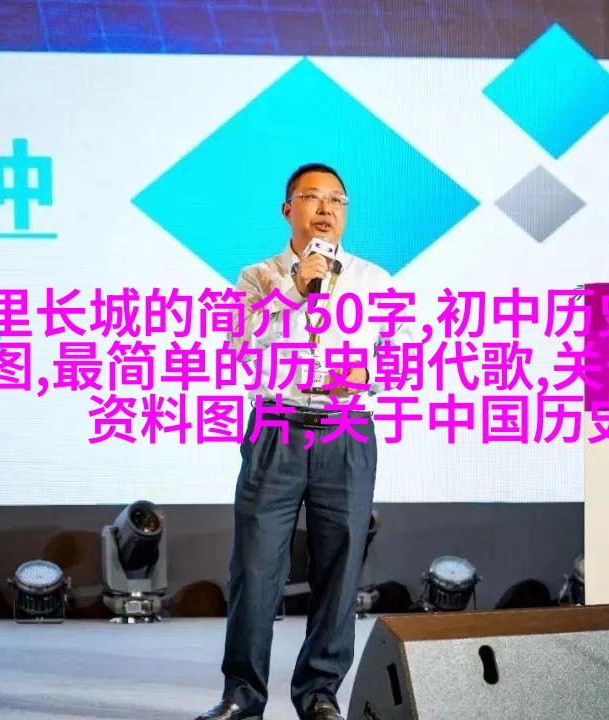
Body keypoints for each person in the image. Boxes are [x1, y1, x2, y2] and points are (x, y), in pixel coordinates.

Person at [196, 163, 412, 720]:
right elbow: (240, 347)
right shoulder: (257, 277)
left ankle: (319, 694)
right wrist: (294, 289)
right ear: (287, 208)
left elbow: (404, 355)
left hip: (347, 430)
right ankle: (242, 696)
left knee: (339, 570)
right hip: (277, 427)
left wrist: (368, 373)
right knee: (255, 568)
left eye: (337, 200)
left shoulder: (374, 280)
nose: (325, 209)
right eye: (312, 197)